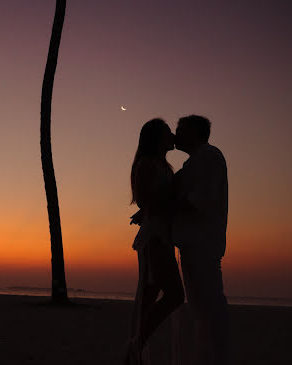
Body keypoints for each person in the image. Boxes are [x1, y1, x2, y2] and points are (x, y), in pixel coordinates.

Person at [126, 118, 185, 364]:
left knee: (149, 298)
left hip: (160, 235)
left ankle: (135, 350)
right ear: (156, 138)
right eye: (167, 132)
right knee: (174, 295)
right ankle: (135, 347)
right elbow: (144, 198)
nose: (172, 135)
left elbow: (150, 199)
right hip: (156, 236)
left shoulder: (159, 165)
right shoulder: (149, 164)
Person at [173, 115, 229, 365]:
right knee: (201, 309)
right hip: (195, 244)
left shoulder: (208, 157)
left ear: (195, 133)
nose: (176, 135)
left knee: (208, 309)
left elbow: (198, 201)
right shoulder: (195, 162)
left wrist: (162, 207)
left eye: (180, 130)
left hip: (202, 245)